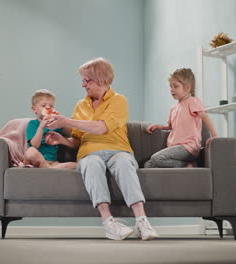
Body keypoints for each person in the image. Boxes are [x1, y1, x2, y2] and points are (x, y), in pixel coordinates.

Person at [45, 58, 159, 241]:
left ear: (101, 78)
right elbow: (77, 140)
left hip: (118, 150)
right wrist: (62, 140)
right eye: (82, 80)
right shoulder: (81, 106)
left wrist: (66, 121)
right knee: (91, 162)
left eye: (86, 80)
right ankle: (109, 223)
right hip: (89, 153)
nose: (83, 85)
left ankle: (142, 221)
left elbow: (100, 127)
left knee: (123, 162)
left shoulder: (118, 100)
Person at [145, 68, 218, 168]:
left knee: (156, 158)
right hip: (175, 148)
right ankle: (185, 166)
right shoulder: (174, 108)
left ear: (187, 87)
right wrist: (159, 126)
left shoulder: (192, 101)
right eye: (170, 86)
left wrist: (214, 135)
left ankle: (187, 165)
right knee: (148, 164)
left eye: (175, 86)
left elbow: (205, 117)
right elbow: (170, 127)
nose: (172, 89)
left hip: (188, 147)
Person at [23, 89, 76, 169]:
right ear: (34, 109)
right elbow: (34, 145)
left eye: (51, 106)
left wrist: (62, 121)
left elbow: (72, 132)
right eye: (43, 106)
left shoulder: (55, 125)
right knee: (30, 152)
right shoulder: (33, 124)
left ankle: (48, 168)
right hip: (36, 160)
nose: (48, 108)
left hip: (53, 162)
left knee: (76, 164)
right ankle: (48, 168)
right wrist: (41, 127)